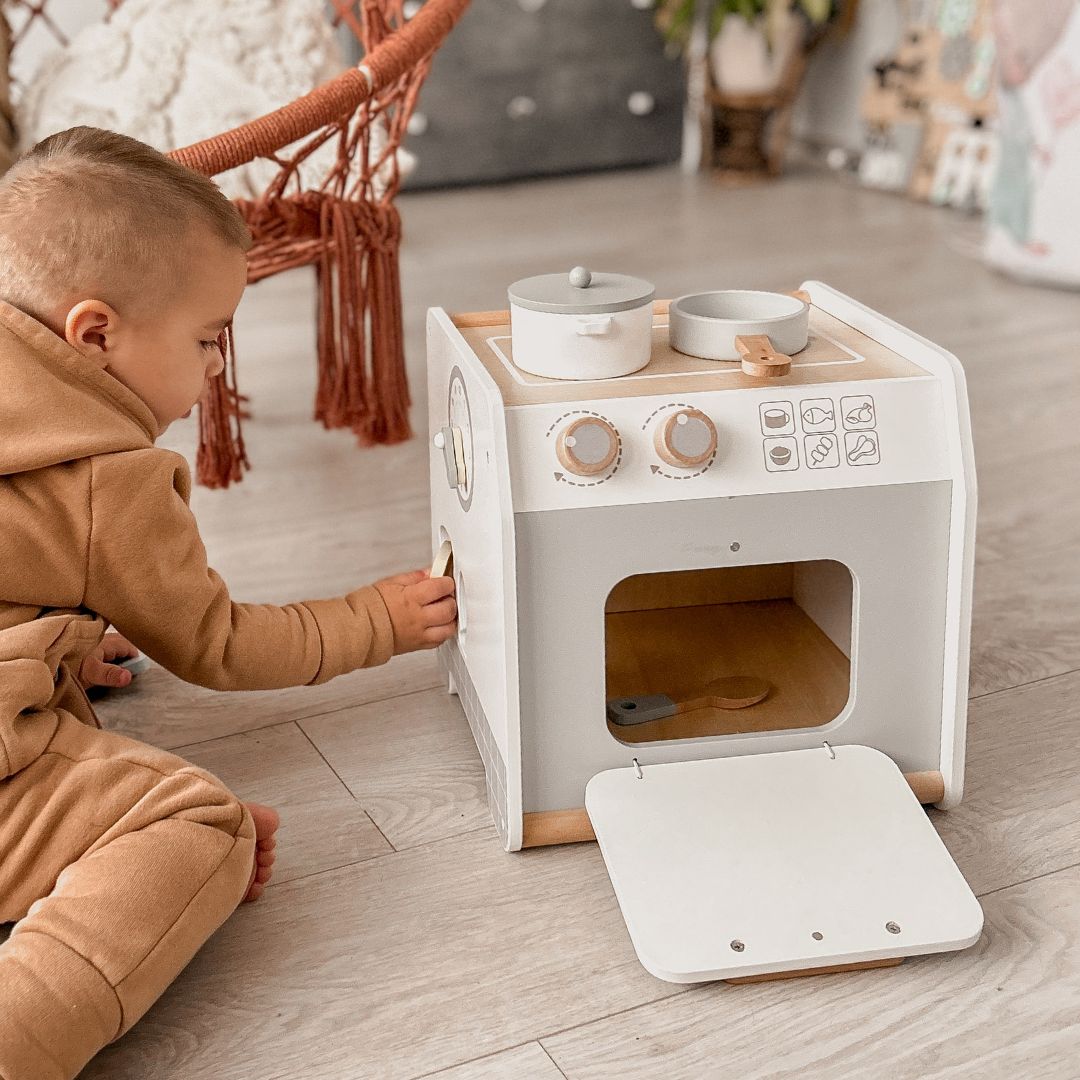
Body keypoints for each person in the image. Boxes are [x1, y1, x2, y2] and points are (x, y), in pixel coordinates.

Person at [0, 126, 456, 1080]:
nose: (215, 370)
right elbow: (221, 645)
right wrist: (378, 618)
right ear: (95, 335)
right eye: (208, 340)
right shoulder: (107, 478)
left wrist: (52, 638)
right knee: (202, 825)